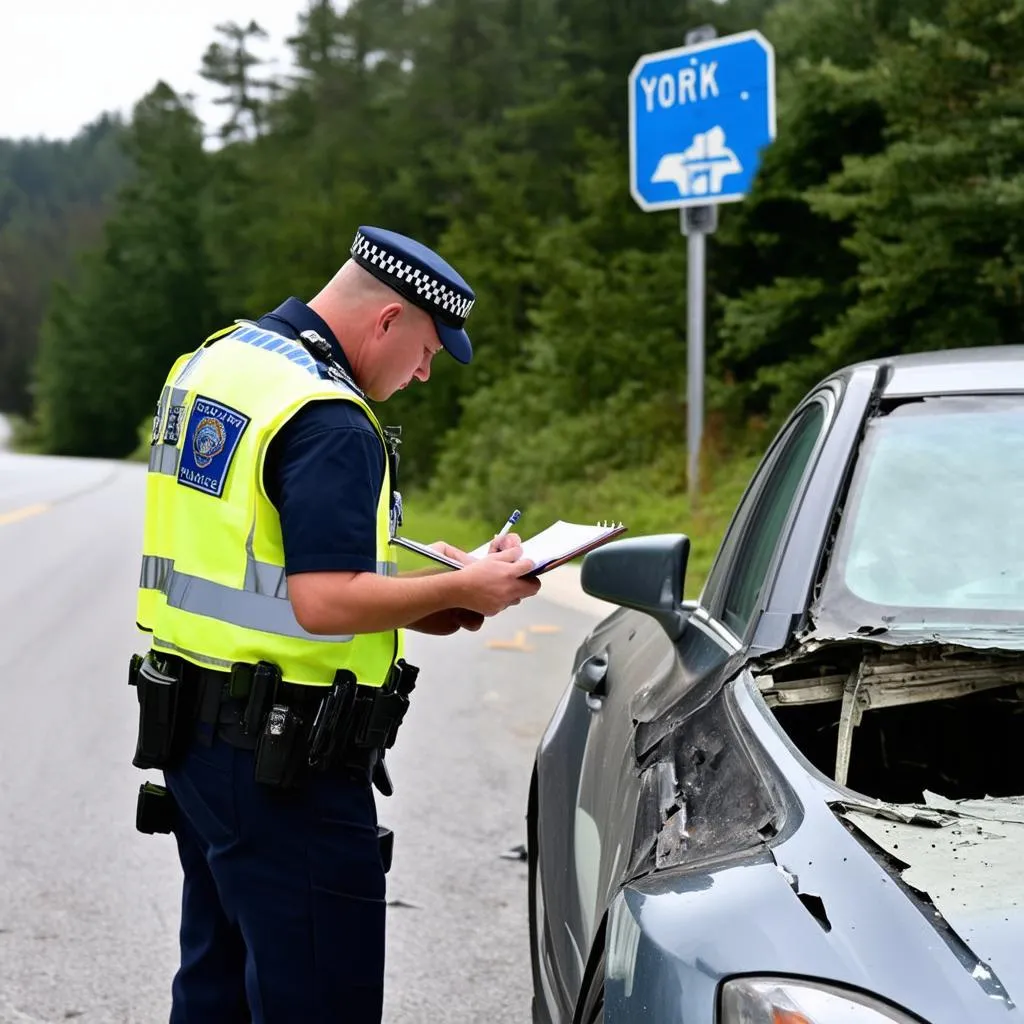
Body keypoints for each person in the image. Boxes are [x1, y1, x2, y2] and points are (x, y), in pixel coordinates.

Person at [131, 225, 541, 1023]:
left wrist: (445, 595)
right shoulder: (329, 419)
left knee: (216, 992)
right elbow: (322, 601)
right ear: (387, 320)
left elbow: (268, 573)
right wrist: (462, 582)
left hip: (198, 747)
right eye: (426, 349)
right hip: (286, 769)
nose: (424, 373)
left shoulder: (221, 363)